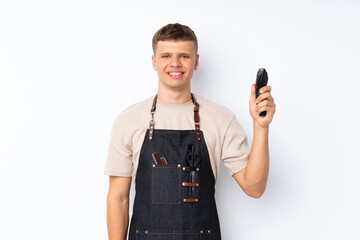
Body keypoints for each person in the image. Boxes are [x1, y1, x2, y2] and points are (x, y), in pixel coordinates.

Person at [104, 23, 276, 240]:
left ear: (196, 62)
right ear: (154, 62)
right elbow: (118, 198)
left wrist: (261, 127)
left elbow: (254, 188)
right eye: (166, 56)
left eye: (184, 56)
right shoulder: (129, 120)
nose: (175, 63)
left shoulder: (220, 119)